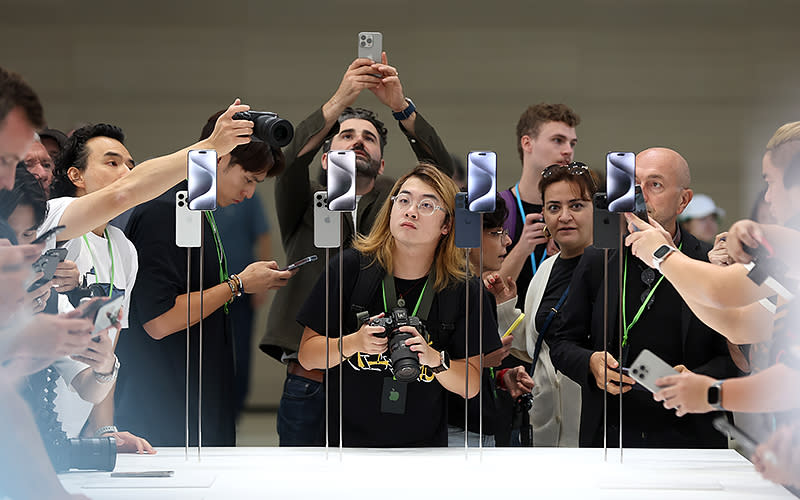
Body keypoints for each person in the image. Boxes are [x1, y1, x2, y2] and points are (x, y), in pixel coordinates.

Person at [261, 53, 453, 446]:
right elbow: (289, 160)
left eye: (369, 138)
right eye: (347, 135)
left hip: (374, 376)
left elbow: (440, 175)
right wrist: (339, 101)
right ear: (328, 153)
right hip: (311, 378)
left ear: (382, 164)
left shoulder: (397, 204)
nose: (358, 142)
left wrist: (400, 107)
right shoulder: (305, 199)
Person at [118, 108, 294, 447]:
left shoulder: (198, 213)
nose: (249, 194)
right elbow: (159, 320)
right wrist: (238, 285)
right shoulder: (165, 211)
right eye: (248, 180)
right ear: (219, 157)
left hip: (192, 399)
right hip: (164, 413)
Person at [297, 164, 499, 446]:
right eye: (403, 200)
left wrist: (433, 359)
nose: (411, 211)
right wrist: (354, 343)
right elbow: (307, 356)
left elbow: (471, 385)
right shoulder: (350, 268)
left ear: (447, 225)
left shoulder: (463, 288)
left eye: (427, 204)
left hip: (424, 450)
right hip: (346, 446)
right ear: (390, 210)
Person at [548, 147, 738, 448]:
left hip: (691, 434)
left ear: (683, 200)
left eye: (656, 185)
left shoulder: (708, 262)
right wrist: (590, 363)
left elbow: (736, 357)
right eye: (634, 185)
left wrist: (700, 378)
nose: (641, 195)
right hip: (613, 431)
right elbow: (561, 342)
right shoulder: (599, 258)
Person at [491, 162, 598, 447]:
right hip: (544, 430)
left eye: (576, 206)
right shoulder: (546, 269)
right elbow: (533, 346)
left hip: (593, 429)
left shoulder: (613, 270)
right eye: (553, 207)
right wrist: (505, 305)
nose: (564, 217)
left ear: (595, 209)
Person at [447, 194, 534, 446]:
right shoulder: (451, 290)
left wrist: (499, 375)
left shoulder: (480, 291)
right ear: (467, 234)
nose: (507, 240)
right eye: (497, 233)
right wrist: (480, 361)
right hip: (452, 429)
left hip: (482, 425)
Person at [498, 103, 581, 308]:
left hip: (554, 333)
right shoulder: (497, 210)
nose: (568, 151)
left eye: (572, 143)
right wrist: (522, 248)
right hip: (506, 334)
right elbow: (484, 289)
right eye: (558, 140)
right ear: (527, 143)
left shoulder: (577, 215)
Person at [214, 191, 272, 418]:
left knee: (240, 351)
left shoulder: (246, 196)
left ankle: (235, 406)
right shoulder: (205, 196)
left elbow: (263, 235)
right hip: (207, 290)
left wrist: (264, 283)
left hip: (242, 290)